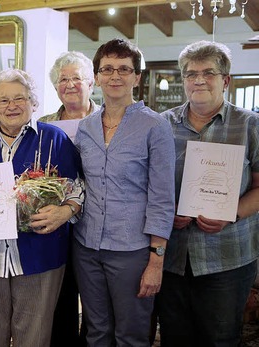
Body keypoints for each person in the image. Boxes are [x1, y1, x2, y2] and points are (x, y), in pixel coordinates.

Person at [0, 68, 84, 346]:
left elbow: (78, 188)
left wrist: (65, 211)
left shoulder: (54, 139)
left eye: (19, 99)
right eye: (4, 100)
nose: (12, 106)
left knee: (34, 337)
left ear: (33, 102)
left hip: (39, 257)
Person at [73, 38, 176, 346]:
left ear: (137, 77)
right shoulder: (85, 127)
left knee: (131, 335)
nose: (115, 76)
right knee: (96, 331)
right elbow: (79, 184)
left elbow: (162, 197)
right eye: (107, 69)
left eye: (123, 69)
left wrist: (156, 260)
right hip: (86, 247)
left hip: (132, 250)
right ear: (97, 77)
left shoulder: (154, 126)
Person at [157, 40, 259, 347]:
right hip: (172, 255)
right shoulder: (163, 124)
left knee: (220, 339)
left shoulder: (250, 124)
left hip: (227, 256)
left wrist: (232, 214)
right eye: (190, 73)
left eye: (208, 72)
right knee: (175, 336)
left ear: (225, 80)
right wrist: (165, 211)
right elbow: (149, 183)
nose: (198, 79)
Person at [38, 50, 99, 347]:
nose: (70, 84)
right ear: (56, 87)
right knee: (59, 296)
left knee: (95, 301)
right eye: (64, 79)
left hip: (99, 221)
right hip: (57, 224)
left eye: (77, 78)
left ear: (91, 83)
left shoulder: (109, 120)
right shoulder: (43, 124)